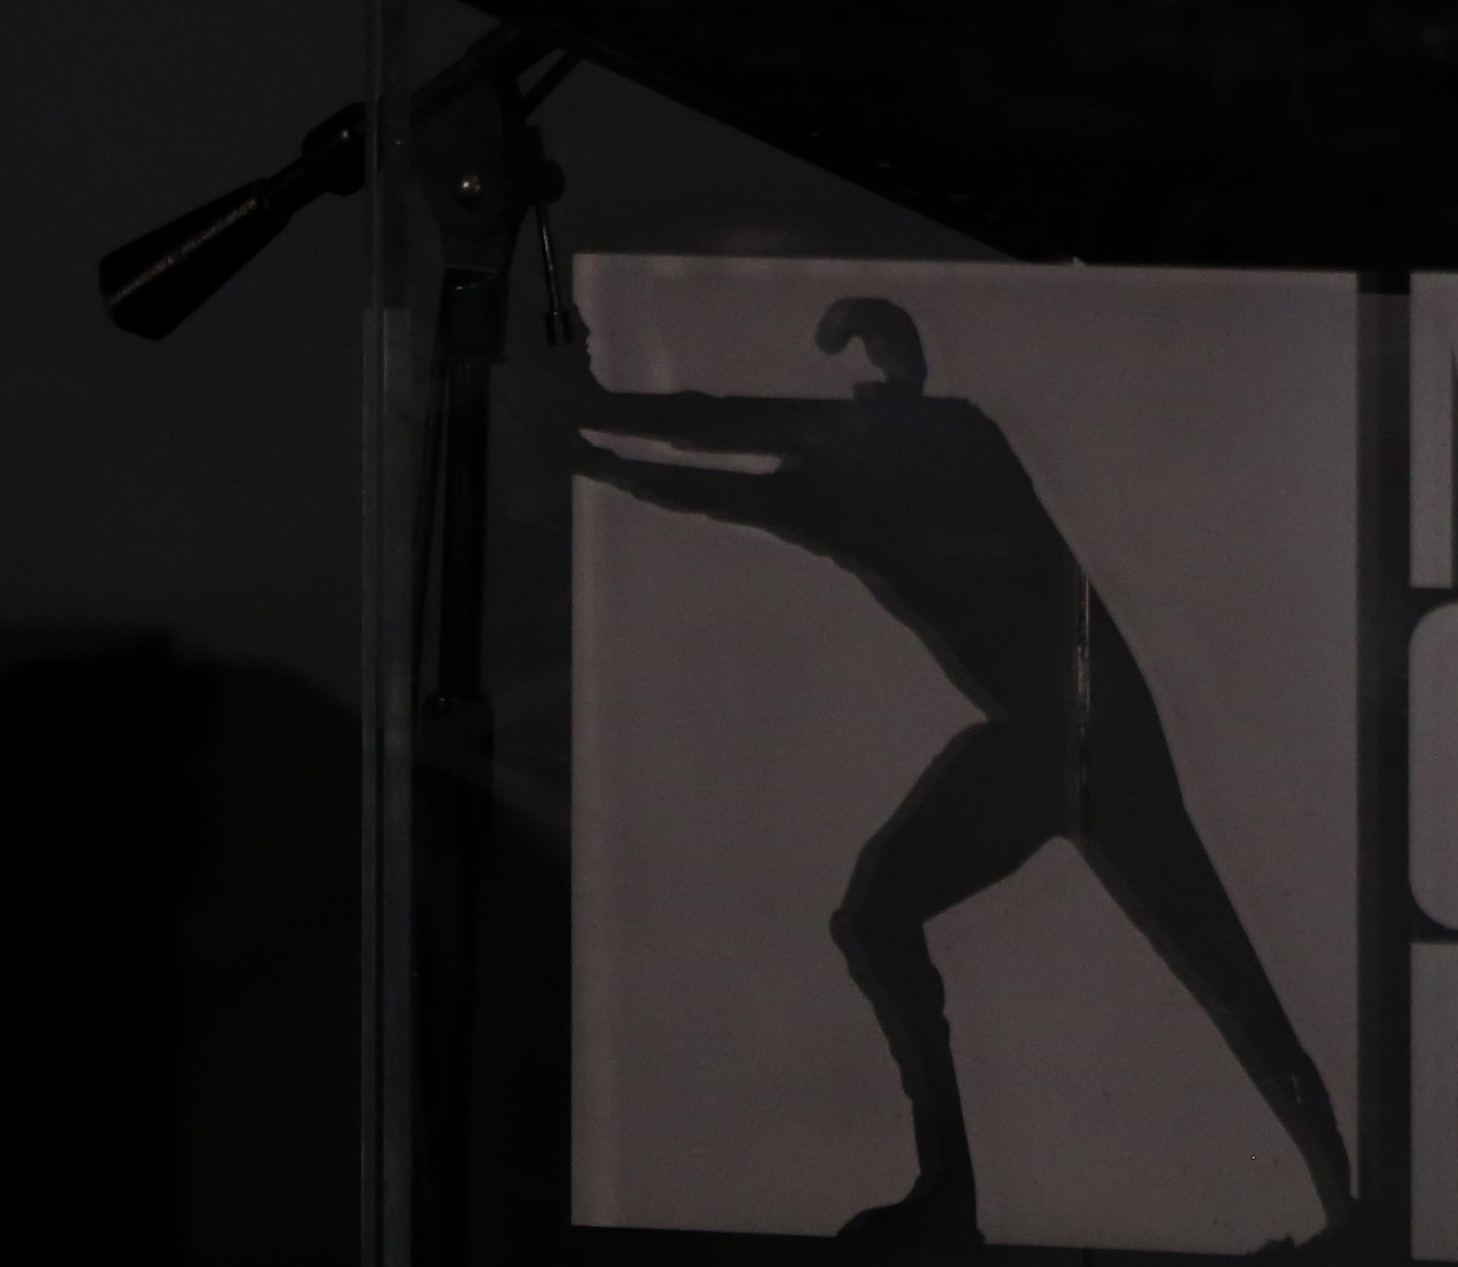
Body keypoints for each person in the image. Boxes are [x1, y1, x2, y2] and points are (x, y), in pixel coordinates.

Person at [577, 296, 1355, 1251]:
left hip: (1093, 734)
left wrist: (594, 427)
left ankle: (1345, 1205)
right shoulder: (862, 478)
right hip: (1049, 737)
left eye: (878, 387)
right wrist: (595, 437)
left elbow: (727, 432)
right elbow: (717, 447)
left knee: (1219, 966)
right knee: (897, 918)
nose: (868, 399)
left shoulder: (933, 448)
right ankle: (953, 1189)